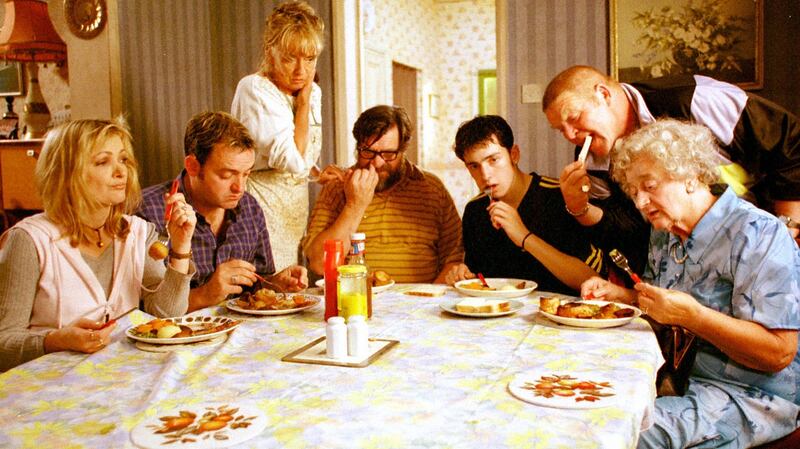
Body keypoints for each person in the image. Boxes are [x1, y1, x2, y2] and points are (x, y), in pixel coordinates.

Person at [580, 119, 800, 449]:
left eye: (649, 186)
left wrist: (693, 317)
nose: (640, 203)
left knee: (618, 434)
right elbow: (666, 308)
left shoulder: (758, 233)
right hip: (676, 378)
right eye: (633, 192)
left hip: (752, 395)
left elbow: (779, 352)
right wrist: (623, 296)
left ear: (690, 176)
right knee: (578, 402)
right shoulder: (664, 230)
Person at [542, 65, 800, 271]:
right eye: (559, 129)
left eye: (574, 118)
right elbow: (626, 230)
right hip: (692, 269)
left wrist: (787, 227)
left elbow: (789, 141)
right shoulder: (593, 161)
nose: (570, 135)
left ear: (604, 94)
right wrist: (579, 208)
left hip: (766, 240)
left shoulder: (696, 100)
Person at [0, 119, 196, 371]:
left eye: (123, 160)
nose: (121, 172)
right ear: (67, 173)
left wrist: (180, 248)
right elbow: (4, 343)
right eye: (103, 162)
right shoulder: (29, 240)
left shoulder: (137, 232)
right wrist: (53, 341)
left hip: (121, 379)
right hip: (52, 389)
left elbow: (165, 316)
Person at [139, 112, 307, 312]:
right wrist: (206, 294)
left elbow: (255, 286)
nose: (240, 187)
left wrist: (275, 284)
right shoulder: (148, 212)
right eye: (227, 175)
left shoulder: (250, 209)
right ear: (193, 166)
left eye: (246, 174)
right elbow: (143, 310)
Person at [231, 0, 341, 270]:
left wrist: (316, 173)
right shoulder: (255, 90)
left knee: (292, 285)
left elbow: (300, 157)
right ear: (270, 52)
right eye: (290, 58)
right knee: (268, 287)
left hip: (293, 208)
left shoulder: (311, 92)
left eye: (310, 59)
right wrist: (303, 106)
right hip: (261, 207)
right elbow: (291, 160)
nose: (300, 71)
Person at [303, 105, 464, 283]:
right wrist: (355, 205)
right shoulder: (336, 187)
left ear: (403, 150)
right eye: (368, 152)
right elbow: (318, 264)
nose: (377, 163)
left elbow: (454, 259)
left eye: (388, 154)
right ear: (358, 148)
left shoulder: (432, 189)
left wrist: (427, 299)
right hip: (355, 300)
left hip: (419, 302)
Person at [454, 115, 604, 294]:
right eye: (474, 166)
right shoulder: (475, 211)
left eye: (493, 160)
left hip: (562, 315)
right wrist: (462, 275)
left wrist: (524, 237)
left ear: (514, 155)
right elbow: (480, 281)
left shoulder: (560, 197)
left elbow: (594, 281)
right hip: (501, 317)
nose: (485, 175)